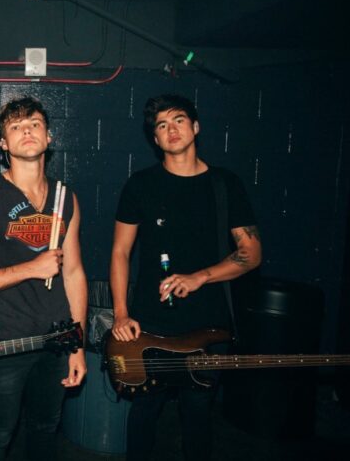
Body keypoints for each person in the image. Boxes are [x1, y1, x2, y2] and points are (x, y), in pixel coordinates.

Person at [110, 93, 262, 461]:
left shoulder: (224, 184)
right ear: (155, 138)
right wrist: (121, 314)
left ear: (195, 127)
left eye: (178, 120)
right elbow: (120, 252)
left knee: (198, 415)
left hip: (209, 325)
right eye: (161, 125)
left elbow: (251, 253)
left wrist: (200, 277)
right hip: (151, 324)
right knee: (144, 412)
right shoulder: (140, 185)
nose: (171, 129)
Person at [0, 96, 88, 461]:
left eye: (34, 124)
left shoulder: (66, 197)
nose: (27, 131)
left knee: (45, 429)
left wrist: (78, 345)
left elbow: (74, 273)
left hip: (58, 340)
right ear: (3, 143)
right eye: (16, 127)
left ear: (49, 137)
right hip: (5, 342)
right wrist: (31, 268)